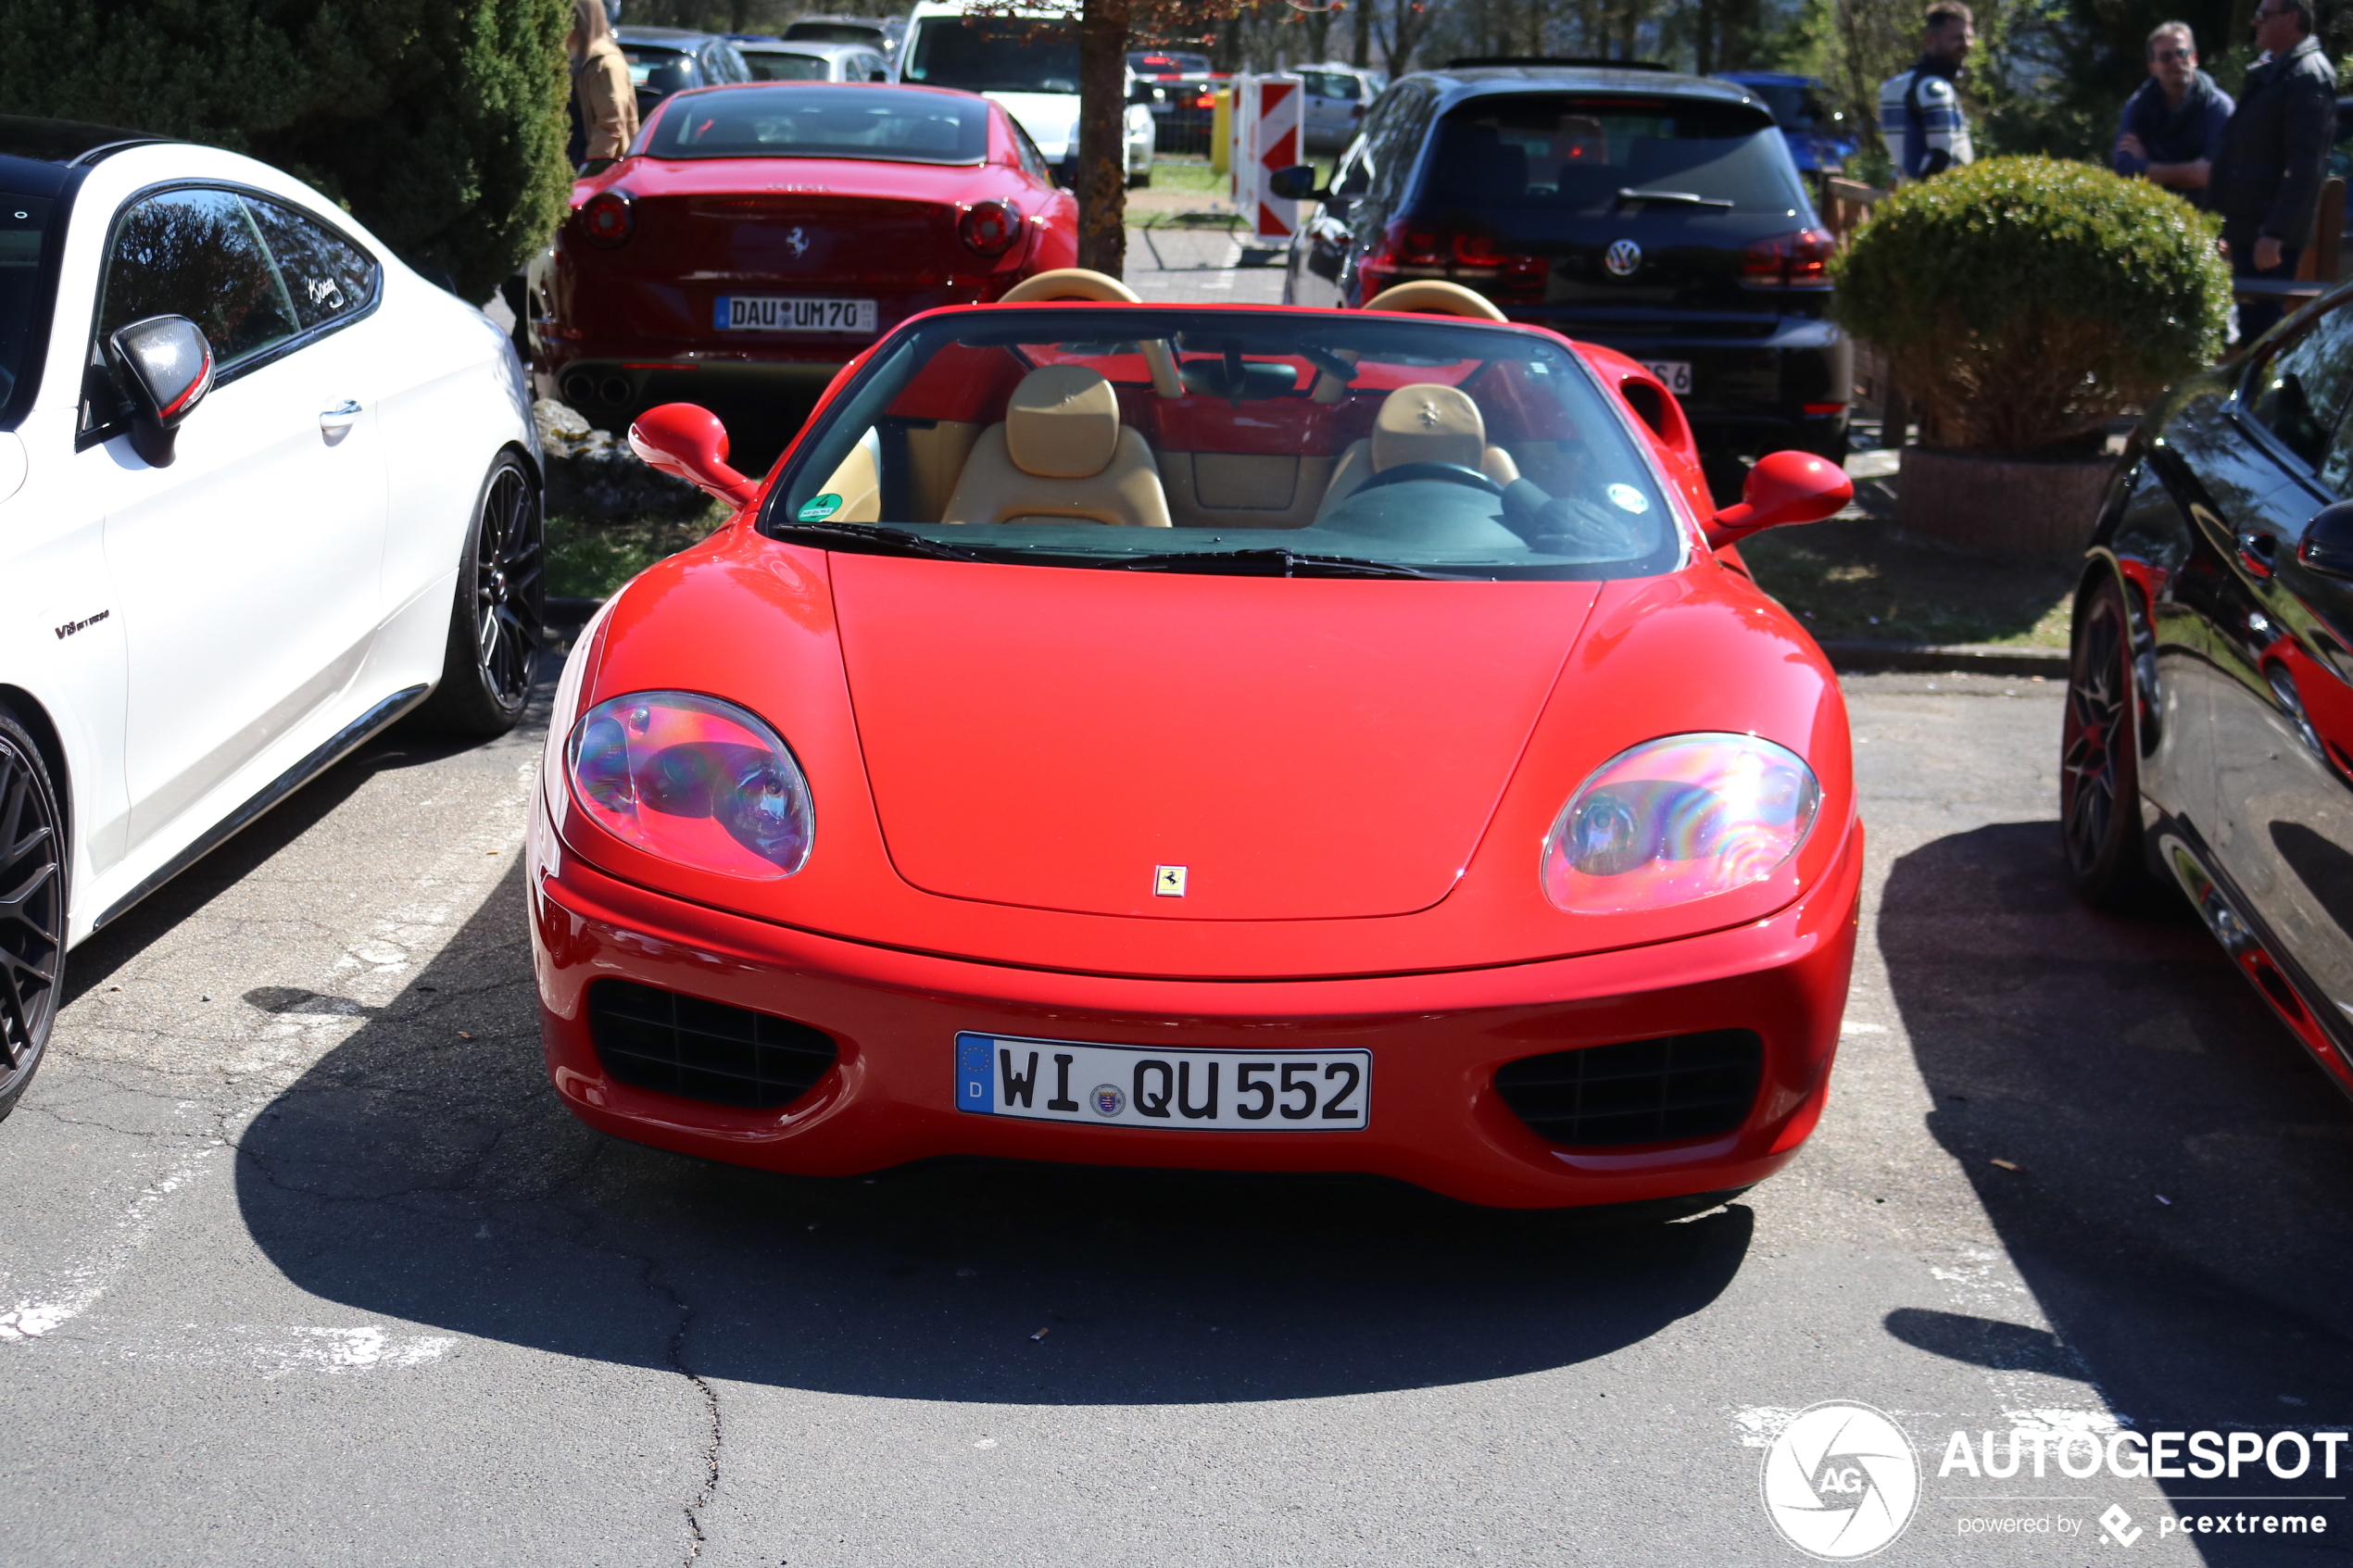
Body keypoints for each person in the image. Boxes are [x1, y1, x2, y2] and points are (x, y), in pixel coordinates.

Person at [2212, 0, 2336, 339]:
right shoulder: (2272, 70)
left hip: (2268, 235)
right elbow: (2241, 149)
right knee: (2245, 325)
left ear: (2291, 18)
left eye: (2263, 16)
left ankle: (2268, 392)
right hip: (2246, 227)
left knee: (2263, 330)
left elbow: (2305, 166)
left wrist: (2276, 233)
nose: (2255, 22)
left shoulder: (2309, 75)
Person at [2113, 21, 2233, 206]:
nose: (2177, 61)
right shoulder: (2138, 106)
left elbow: (2211, 174)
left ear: (2194, 58)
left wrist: (2147, 164)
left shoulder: (2218, 107)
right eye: (2166, 57)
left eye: (2182, 53)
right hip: (2151, 214)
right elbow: (2124, 168)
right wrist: (2190, 171)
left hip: (2207, 216)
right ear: (2153, 67)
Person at [1878, 2, 1975, 183]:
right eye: (1958, 38)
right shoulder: (1935, 89)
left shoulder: (1891, 86)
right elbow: (1941, 155)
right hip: (1938, 200)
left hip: (1905, 195)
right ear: (1930, 40)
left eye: (1969, 38)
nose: (1966, 45)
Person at [569, 0, 638, 170]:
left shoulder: (605, 64)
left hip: (594, 170)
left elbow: (611, 124)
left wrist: (591, 167)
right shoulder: (574, 58)